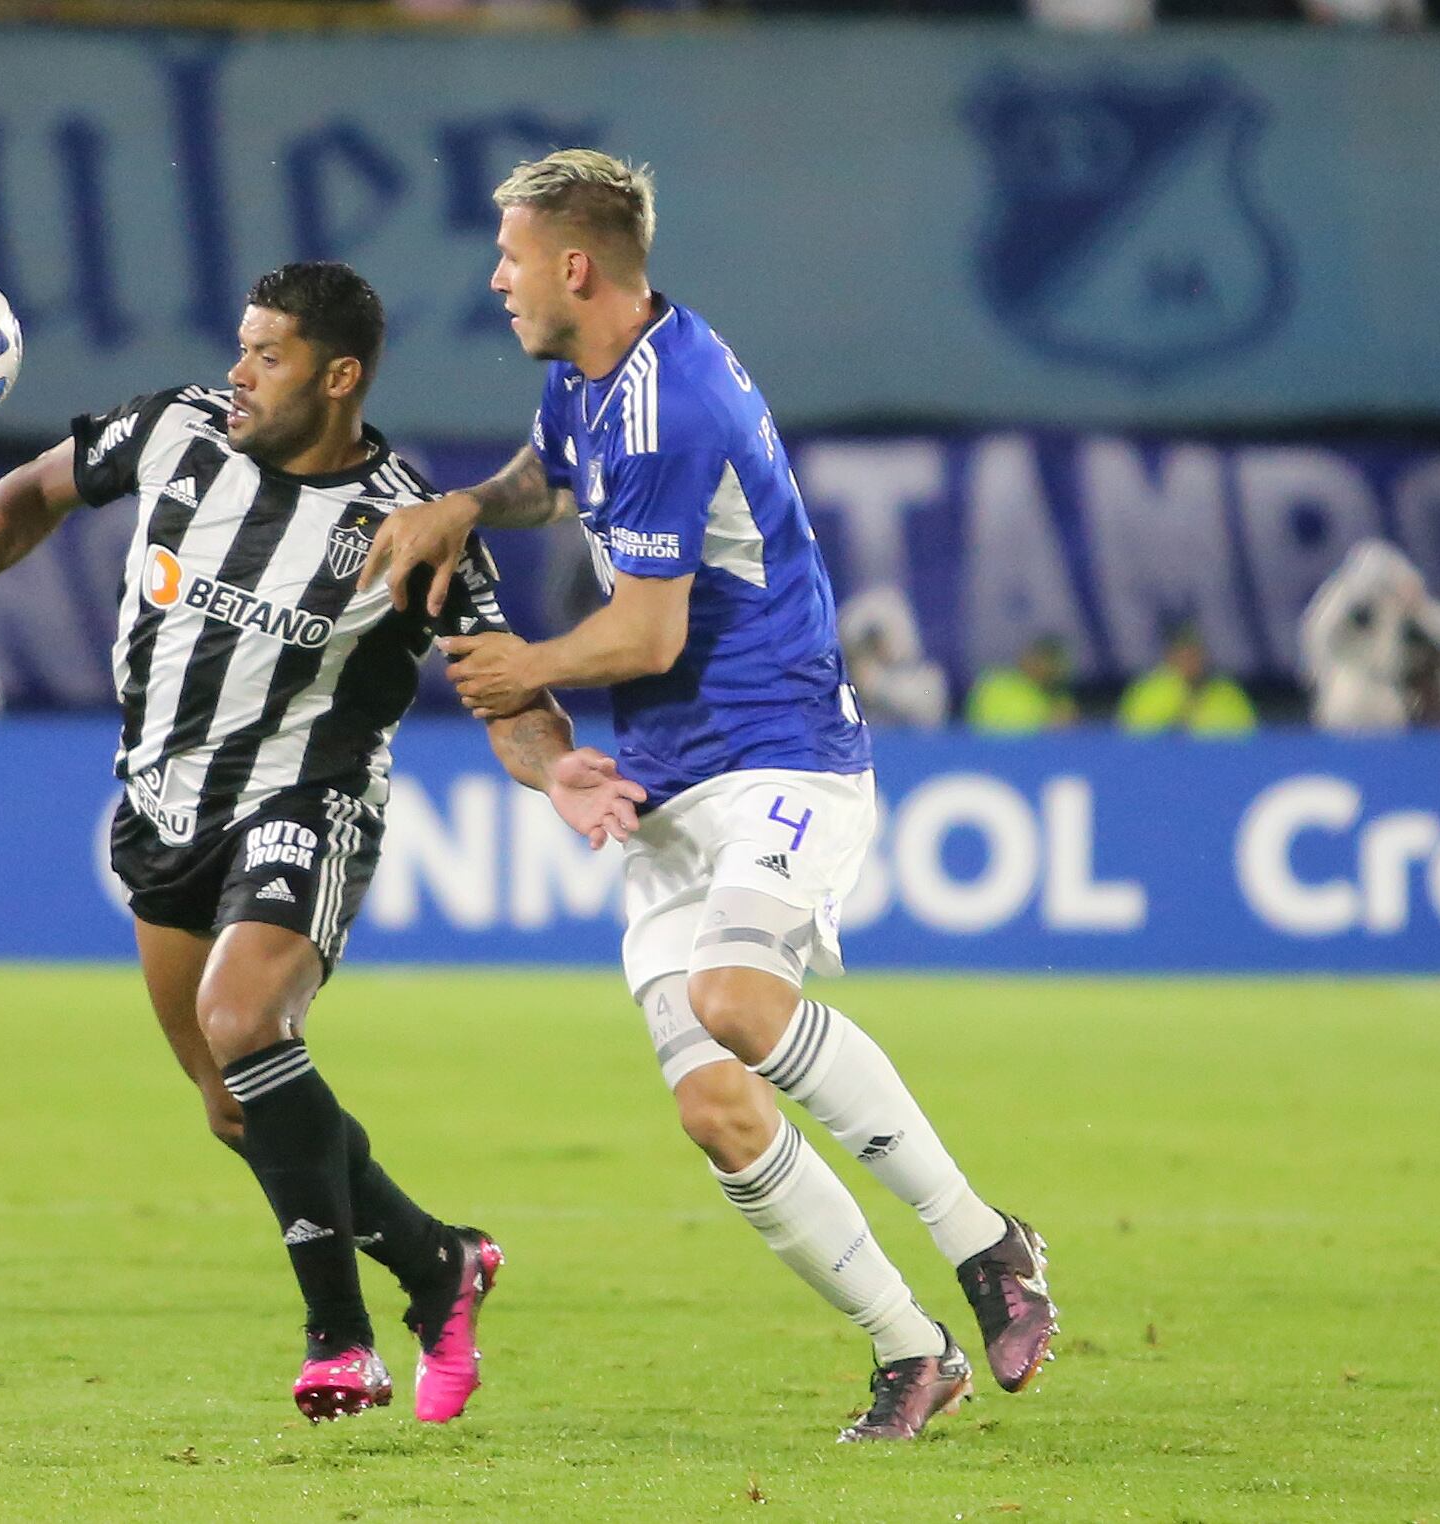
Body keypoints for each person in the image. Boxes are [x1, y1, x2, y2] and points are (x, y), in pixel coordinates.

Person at [0, 261, 645, 1424]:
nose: (238, 374)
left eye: (267, 355)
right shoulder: (173, 433)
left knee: (245, 1020)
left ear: (339, 376)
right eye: (238, 346)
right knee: (232, 1102)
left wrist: (554, 769)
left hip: (308, 800)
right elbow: (25, 496)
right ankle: (437, 1262)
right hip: (160, 809)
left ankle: (339, 1340)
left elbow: (502, 691)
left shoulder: (400, 525)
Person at [363, 150, 1056, 1442]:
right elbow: (549, 476)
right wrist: (468, 506)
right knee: (713, 1107)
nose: (495, 278)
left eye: (510, 257)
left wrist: (525, 667)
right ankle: (911, 1352)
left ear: (577, 265)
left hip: (780, 756)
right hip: (671, 787)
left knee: (737, 1005)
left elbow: (646, 637)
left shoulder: (670, 403)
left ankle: (985, 1243)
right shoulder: (595, 378)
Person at [1300, 539, 1440, 733]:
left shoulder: (1408, 609)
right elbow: (1316, 634)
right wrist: (1357, 590)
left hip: (1390, 698)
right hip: (1344, 697)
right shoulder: (1338, 602)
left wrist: (1421, 607)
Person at [1116, 621, 1255, 736]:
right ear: (1170, 656)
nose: (1191, 661)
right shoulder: (1148, 691)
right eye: (1184, 654)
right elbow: (1131, 737)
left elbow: (1248, 736)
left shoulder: (1226, 692)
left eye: (1195, 654)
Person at [838, 586, 949, 729]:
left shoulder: (927, 680)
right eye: (869, 644)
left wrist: (876, 686)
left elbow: (926, 706)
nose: (877, 648)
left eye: (877, 640)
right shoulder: (839, 686)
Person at [964, 634, 1078, 734]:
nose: (1045, 667)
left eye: (1052, 663)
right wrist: (1044, 725)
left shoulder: (1059, 698)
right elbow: (989, 724)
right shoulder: (996, 683)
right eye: (1041, 659)